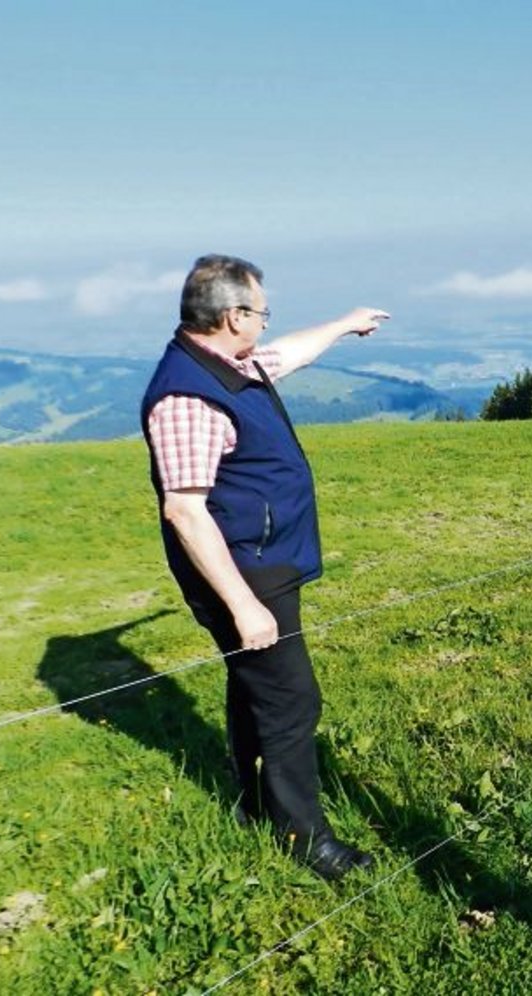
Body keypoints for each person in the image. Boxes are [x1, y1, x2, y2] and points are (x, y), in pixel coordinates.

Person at [141, 254, 389, 880]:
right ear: (233, 316)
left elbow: (286, 355)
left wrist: (345, 324)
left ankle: (254, 804)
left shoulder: (229, 365)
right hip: (241, 572)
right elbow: (185, 511)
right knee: (290, 700)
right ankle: (305, 839)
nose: (266, 324)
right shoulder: (188, 397)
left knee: (255, 684)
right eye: (262, 312)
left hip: (262, 559)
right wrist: (242, 605)